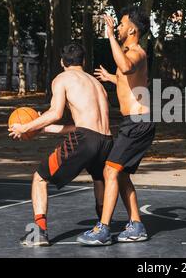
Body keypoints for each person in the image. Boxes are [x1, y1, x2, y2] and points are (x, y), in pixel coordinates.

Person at [9, 43, 113, 247]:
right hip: (107, 140)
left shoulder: (62, 78)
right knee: (99, 178)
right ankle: (103, 228)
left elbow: (56, 113)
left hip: (85, 139)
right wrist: (43, 129)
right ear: (83, 61)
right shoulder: (97, 84)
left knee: (39, 177)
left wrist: (25, 127)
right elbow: (82, 125)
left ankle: (39, 232)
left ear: (62, 62)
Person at [77, 6, 155, 246]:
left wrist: (110, 35)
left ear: (132, 29)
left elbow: (127, 67)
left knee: (110, 171)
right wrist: (112, 78)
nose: (118, 28)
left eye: (121, 25)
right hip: (133, 123)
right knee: (119, 175)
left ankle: (102, 229)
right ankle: (136, 225)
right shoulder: (129, 52)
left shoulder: (137, 52)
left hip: (138, 123)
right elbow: (127, 77)